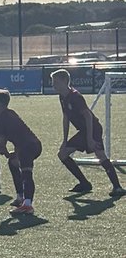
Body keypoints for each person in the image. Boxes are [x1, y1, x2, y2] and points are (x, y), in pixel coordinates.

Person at [50, 68, 124, 197]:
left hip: (93, 129)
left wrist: (90, 139)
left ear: (64, 81)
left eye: (55, 82)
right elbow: (66, 118)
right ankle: (84, 183)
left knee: (100, 155)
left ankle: (117, 187)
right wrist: (64, 140)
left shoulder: (75, 96)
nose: (53, 85)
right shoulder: (62, 97)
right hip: (83, 132)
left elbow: (88, 117)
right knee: (62, 154)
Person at [0, 89, 42, 215]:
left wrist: (5, 153)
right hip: (32, 145)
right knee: (13, 163)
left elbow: (1, 143)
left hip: (27, 147)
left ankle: (27, 205)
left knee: (26, 174)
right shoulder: (10, 113)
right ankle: (20, 197)